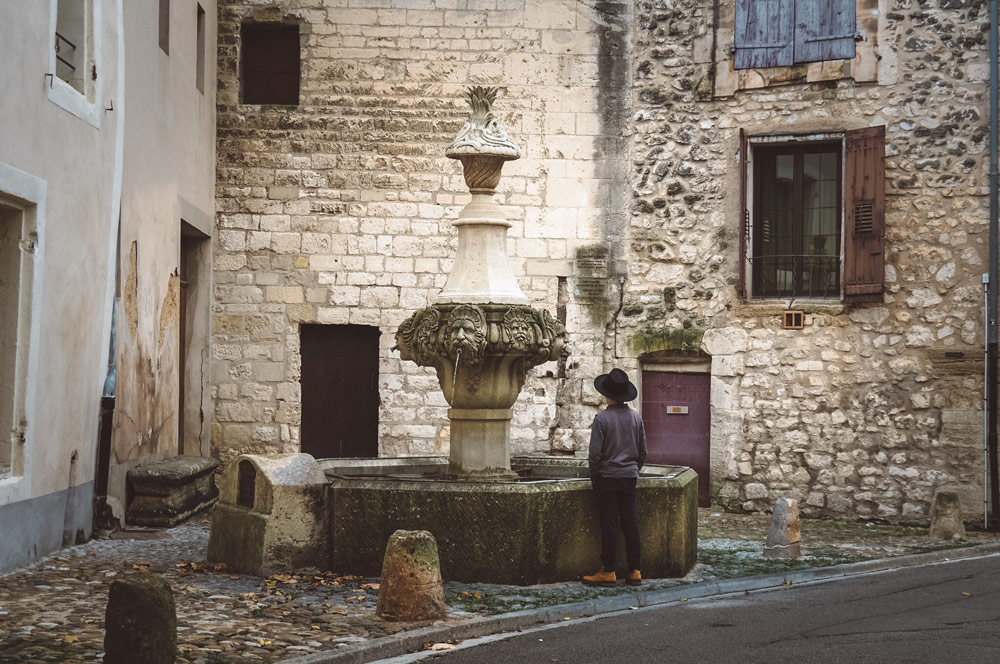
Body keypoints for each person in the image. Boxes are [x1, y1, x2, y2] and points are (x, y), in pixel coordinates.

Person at [583, 368, 646, 587]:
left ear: (607, 395)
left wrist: (594, 476)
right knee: (630, 522)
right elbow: (642, 451)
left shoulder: (602, 419)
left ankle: (608, 570)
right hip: (629, 476)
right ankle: (635, 570)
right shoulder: (636, 418)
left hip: (607, 477)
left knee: (609, 523)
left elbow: (595, 454)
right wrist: (633, 469)